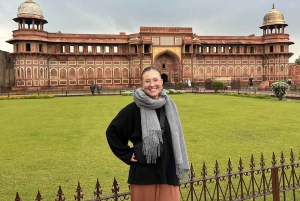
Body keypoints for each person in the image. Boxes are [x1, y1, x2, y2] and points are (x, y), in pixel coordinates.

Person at [106, 66, 190, 201]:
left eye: (155, 80)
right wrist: (127, 154)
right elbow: (112, 132)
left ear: (161, 82)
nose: (152, 84)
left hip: (168, 172)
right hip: (144, 174)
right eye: (147, 81)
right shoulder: (133, 109)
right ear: (142, 84)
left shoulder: (170, 107)